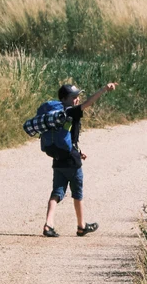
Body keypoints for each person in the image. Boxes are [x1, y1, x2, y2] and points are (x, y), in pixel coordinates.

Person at [40, 81, 117, 238]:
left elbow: (66, 138)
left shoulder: (55, 114)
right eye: (74, 96)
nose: (77, 99)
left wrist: (79, 151)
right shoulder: (70, 111)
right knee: (78, 194)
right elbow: (88, 103)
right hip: (72, 163)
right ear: (64, 98)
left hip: (58, 160)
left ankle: (48, 224)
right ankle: (81, 226)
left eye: (77, 96)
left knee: (56, 193)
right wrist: (103, 89)